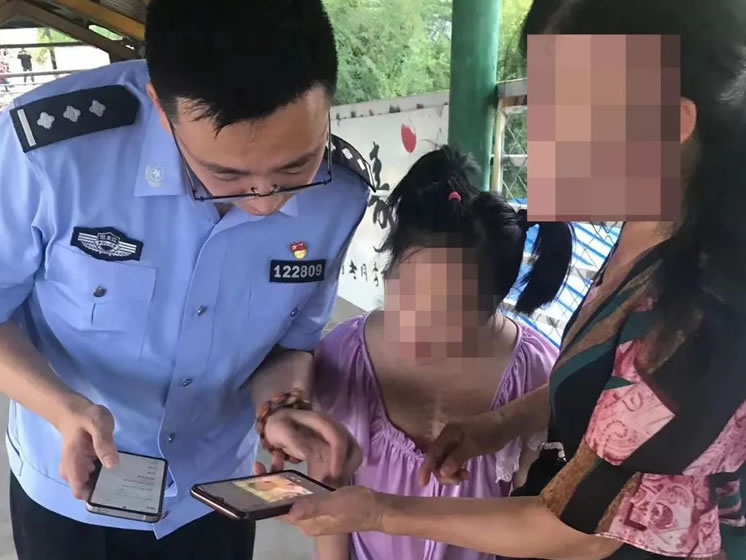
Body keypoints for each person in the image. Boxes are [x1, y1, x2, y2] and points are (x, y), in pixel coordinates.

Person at [286, 0, 746, 559]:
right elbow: (617, 392)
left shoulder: (702, 309)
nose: (542, 155)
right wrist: (498, 425)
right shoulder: (650, 234)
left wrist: (381, 512)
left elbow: (581, 534)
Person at [0, 1, 370, 559]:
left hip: (215, 493)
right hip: (73, 490)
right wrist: (62, 408)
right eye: (225, 174)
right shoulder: (51, 156)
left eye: (296, 167)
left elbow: (289, 344)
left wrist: (282, 408)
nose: (265, 203)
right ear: (160, 106)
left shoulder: (339, 195)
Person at [309, 145, 572, 560]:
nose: (414, 325)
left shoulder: (536, 375)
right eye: (405, 290)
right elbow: (329, 495)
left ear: (492, 305)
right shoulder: (344, 354)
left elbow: (533, 517)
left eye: (450, 311)